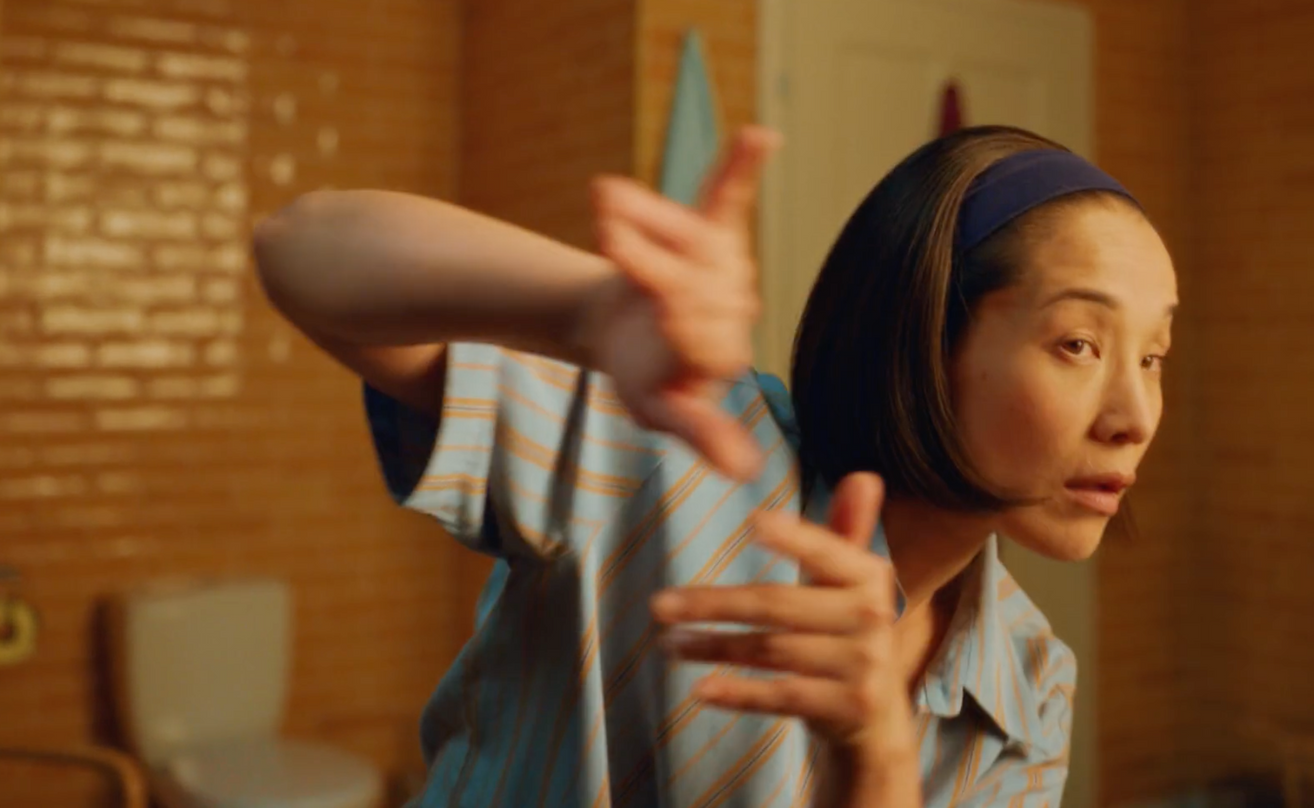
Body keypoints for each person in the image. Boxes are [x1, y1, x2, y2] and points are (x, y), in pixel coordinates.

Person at [252, 124, 1178, 807]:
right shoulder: (683, 447)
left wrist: (878, 758)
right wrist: (586, 312)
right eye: (1079, 345)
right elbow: (301, 250)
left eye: (1154, 357)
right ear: (921, 336)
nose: (1136, 417)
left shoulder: (1031, 683)